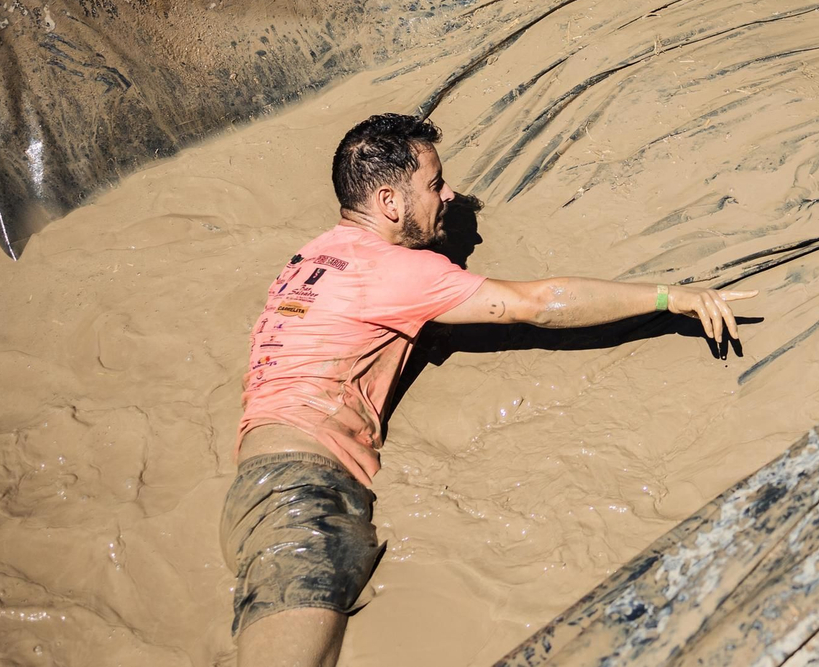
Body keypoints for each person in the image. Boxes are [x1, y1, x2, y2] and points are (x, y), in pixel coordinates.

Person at [220, 113, 755, 667]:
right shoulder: (397, 270)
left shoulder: (316, 256)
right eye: (433, 184)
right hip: (301, 494)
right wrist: (672, 296)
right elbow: (538, 302)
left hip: (263, 486)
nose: (448, 195)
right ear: (389, 201)